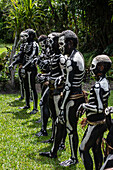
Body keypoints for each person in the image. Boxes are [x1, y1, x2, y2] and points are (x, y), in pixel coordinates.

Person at [39, 30, 85, 167]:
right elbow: (68, 78)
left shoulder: (72, 60)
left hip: (72, 99)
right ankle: (54, 151)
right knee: (59, 124)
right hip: (72, 96)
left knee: (70, 128)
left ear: (70, 43)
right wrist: (61, 78)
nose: (60, 47)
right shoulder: (76, 55)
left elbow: (69, 86)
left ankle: (73, 157)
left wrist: (62, 107)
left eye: (61, 44)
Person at [77, 55, 112, 170]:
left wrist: (84, 105)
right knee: (96, 149)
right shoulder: (105, 82)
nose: (91, 69)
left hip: (95, 123)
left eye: (93, 66)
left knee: (83, 149)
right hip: (102, 122)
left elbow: (99, 108)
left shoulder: (98, 85)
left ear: (101, 67)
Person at [9, 29, 39, 114]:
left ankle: (35, 108)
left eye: (26, 36)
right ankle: (27, 104)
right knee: (26, 87)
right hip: (24, 69)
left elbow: (33, 56)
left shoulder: (34, 45)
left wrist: (25, 66)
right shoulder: (25, 45)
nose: (24, 38)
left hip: (32, 68)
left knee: (32, 87)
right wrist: (13, 64)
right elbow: (21, 56)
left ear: (31, 36)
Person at [35, 34, 50, 136]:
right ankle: (43, 120)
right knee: (44, 102)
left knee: (45, 102)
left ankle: (44, 127)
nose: (42, 45)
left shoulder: (51, 52)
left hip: (49, 80)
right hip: (44, 77)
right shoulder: (44, 51)